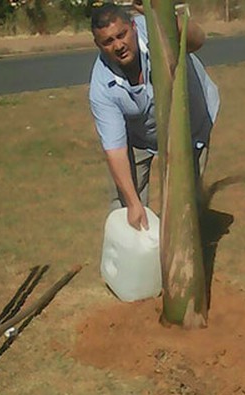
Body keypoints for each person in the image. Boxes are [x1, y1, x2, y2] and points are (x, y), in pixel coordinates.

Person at [89, 2, 219, 231]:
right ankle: (138, 260)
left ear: (133, 27)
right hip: (140, 137)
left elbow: (198, 40)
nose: (119, 45)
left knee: (188, 201)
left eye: (122, 34)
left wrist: (164, 15)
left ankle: (186, 260)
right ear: (98, 45)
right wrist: (133, 203)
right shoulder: (101, 86)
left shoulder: (154, 28)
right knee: (125, 206)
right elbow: (115, 150)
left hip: (190, 123)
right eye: (108, 41)